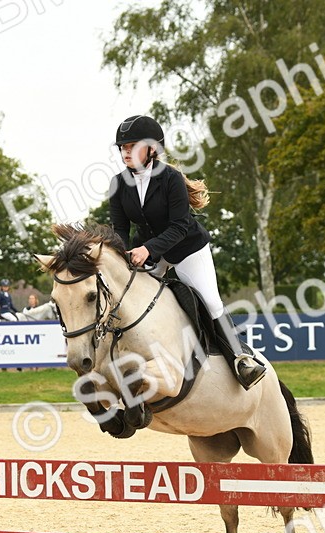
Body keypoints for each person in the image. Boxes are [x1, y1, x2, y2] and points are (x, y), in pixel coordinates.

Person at [107, 114, 266, 389]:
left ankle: (241, 360)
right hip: (150, 252)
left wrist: (147, 249)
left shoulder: (170, 178)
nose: (125, 152)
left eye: (132, 146)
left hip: (187, 247)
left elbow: (180, 226)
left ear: (152, 149)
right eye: (123, 147)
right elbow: (119, 228)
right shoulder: (118, 184)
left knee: (210, 301)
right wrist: (121, 254)